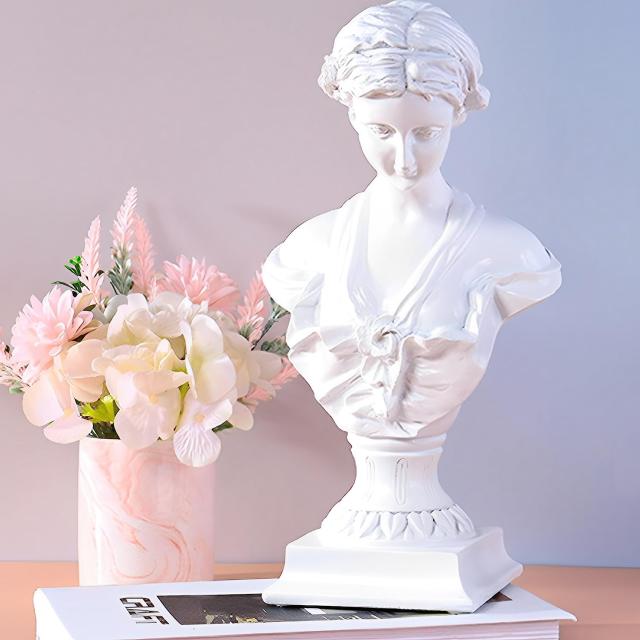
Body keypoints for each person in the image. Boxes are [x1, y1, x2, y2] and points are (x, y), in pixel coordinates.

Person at [262, 0, 561, 441]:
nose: (404, 160)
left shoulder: (509, 252)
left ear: (457, 114)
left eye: (426, 134)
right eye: (381, 131)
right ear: (352, 114)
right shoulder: (310, 250)